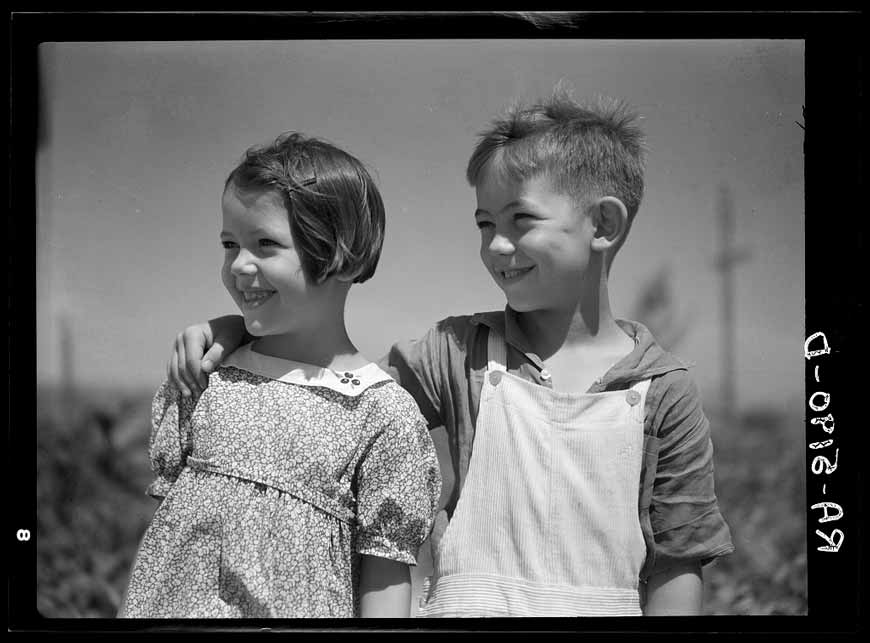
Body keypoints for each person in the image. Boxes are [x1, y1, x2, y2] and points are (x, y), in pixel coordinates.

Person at [164, 89, 734, 617]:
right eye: (485, 224)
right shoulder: (456, 352)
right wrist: (240, 330)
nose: (496, 247)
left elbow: (677, 562)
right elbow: (335, 397)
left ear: (604, 223)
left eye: (520, 221)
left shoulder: (662, 391)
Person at [119, 133, 441, 618]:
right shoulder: (207, 373)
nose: (238, 266)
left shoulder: (382, 413)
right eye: (230, 244)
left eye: (265, 244)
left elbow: (386, 574)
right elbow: (165, 539)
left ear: (342, 253)